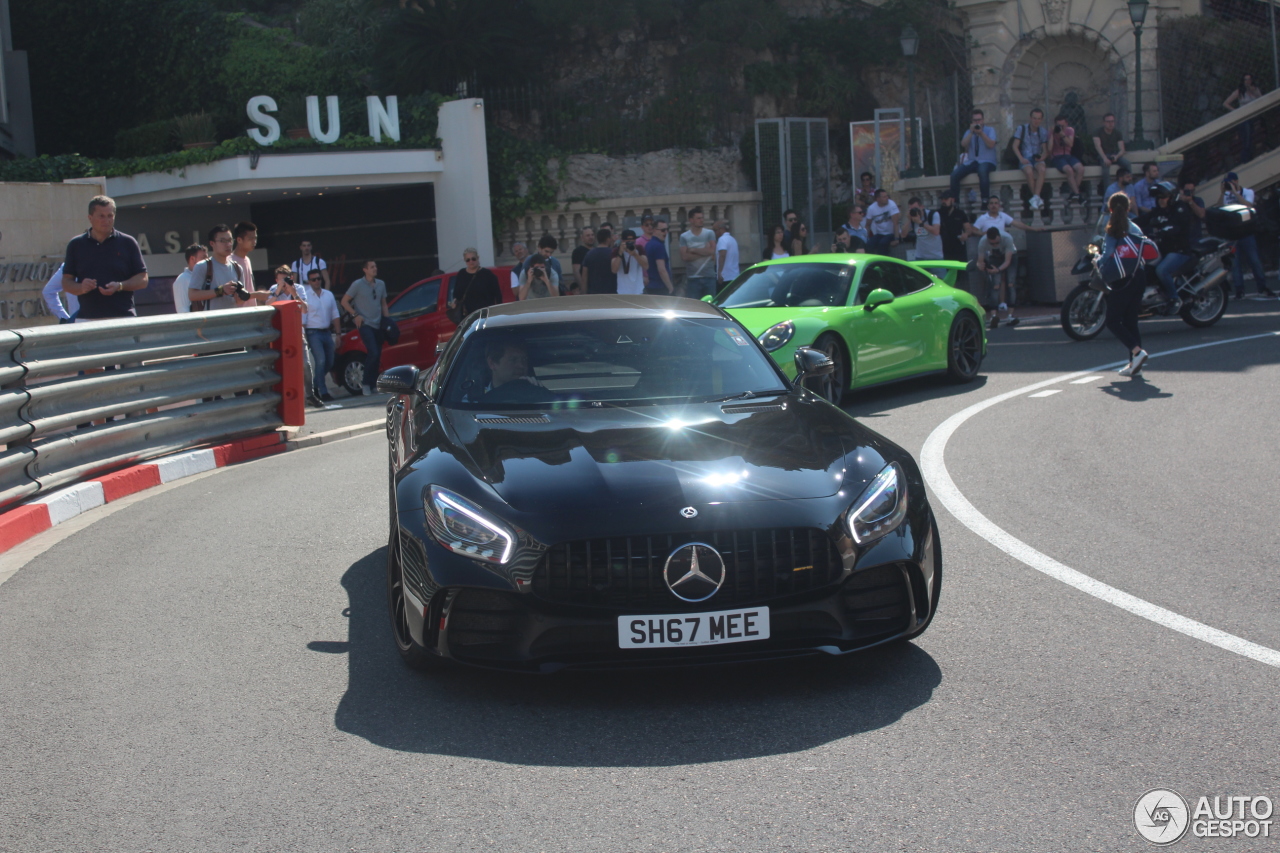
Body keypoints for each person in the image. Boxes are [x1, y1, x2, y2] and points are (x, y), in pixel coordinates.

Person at [60, 195, 149, 321]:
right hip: (87, 319)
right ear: (90, 218)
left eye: (110, 216)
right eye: (101, 216)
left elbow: (143, 279)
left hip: (123, 318)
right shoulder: (76, 244)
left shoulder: (128, 242)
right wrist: (81, 287)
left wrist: (120, 286)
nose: (106, 220)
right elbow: (66, 282)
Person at [1099, 192, 1150, 376]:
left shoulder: (1112, 229)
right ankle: (1134, 364)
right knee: (1131, 320)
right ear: (1128, 208)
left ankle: (1137, 352)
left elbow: (1108, 255)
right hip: (1139, 276)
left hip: (1122, 279)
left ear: (1110, 209)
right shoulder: (1135, 227)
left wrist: (1098, 264)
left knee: (1112, 320)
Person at [1137, 181, 1192, 309]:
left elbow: (1176, 226)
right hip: (1162, 250)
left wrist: (1161, 232)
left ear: (1172, 197)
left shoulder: (1180, 209)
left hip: (1179, 251)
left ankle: (1174, 298)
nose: (1161, 200)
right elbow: (1143, 220)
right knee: (1140, 266)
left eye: (1163, 197)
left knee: (1162, 270)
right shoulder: (1158, 211)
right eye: (1158, 198)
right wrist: (1123, 224)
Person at [1221, 172, 1275, 299]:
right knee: (1235, 263)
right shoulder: (1226, 194)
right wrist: (1223, 193)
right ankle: (1239, 290)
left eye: (1231, 182)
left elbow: (1249, 206)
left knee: (1254, 260)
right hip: (1232, 233)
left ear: (1236, 181)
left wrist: (1235, 193)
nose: (1230, 185)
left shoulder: (1247, 192)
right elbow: (1220, 208)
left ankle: (1262, 286)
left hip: (1246, 231)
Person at [340, 260, 390, 396]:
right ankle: (366, 384)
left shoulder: (381, 284)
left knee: (377, 354)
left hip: (378, 323)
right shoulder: (357, 285)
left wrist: (387, 321)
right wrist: (355, 315)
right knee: (373, 351)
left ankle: (373, 384)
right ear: (365, 270)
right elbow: (344, 301)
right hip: (365, 323)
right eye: (372, 267)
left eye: (375, 266)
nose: (375, 269)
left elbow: (384, 304)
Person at [188, 224, 254, 312]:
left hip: (233, 321)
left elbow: (239, 302)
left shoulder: (237, 268)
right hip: (211, 323)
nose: (228, 244)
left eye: (230, 240)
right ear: (212, 243)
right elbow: (192, 295)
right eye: (223, 241)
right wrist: (220, 290)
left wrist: (240, 298)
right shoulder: (202, 266)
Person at [302, 268, 341, 402]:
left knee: (330, 362)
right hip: (313, 333)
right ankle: (323, 392)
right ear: (309, 281)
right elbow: (304, 318)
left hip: (326, 332)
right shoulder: (305, 296)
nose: (317, 281)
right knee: (321, 360)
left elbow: (335, 314)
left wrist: (338, 333)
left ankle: (315, 385)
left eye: (319, 278)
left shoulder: (328, 294)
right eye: (314, 279)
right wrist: (304, 336)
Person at [950, 109, 999, 203]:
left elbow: (991, 144)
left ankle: (985, 200)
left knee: (982, 171)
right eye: (975, 120)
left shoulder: (990, 130)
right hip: (972, 161)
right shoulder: (969, 132)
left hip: (987, 161)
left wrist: (981, 133)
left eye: (979, 120)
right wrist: (972, 133)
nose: (977, 122)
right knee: (954, 175)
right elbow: (963, 144)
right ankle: (955, 202)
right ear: (972, 121)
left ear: (983, 120)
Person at [975, 227, 1018, 329]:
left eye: (996, 243)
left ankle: (1010, 315)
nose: (995, 245)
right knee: (995, 285)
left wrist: (998, 270)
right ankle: (994, 316)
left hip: (1010, 256)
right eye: (992, 244)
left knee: (1010, 284)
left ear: (999, 237)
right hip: (994, 257)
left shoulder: (1007, 238)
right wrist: (981, 266)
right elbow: (980, 260)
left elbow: (1007, 261)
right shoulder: (983, 242)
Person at [1012, 108, 1050, 209]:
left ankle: (1035, 197)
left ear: (1041, 120)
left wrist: (1042, 157)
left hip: (1037, 158)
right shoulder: (1022, 129)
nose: (1036, 121)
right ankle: (1037, 197)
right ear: (1030, 118)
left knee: (1042, 169)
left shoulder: (1042, 131)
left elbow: (1045, 150)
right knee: (1029, 171)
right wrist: (1021, 159)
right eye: (1034, 118)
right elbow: (1015, 146)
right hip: (1025, 157)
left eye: (1038, 118)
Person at [449, 248, 503, 317]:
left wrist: (498, 312)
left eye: (473, 259)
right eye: (468, 260)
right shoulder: (461, 274)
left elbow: (498, 295)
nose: (471, 261)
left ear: (477, 258)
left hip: (485, 314)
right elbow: (456, 294)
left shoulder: (487, 274)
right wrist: (455, 302)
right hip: (467, 315)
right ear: (465, 261)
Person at [1223, 73, 1263, 162]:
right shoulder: (1239, 91)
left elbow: (1262, 99)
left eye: (1249, 79)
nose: (1248, 81)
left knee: (1255, 137)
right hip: (1245, 118)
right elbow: (1226, 103)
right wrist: (1236, 111)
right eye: (1246, 79)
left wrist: (1253, 91)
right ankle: (1246, 159)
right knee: (1247, 138)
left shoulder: (1255, 89)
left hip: (1255, 116)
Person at [679, 207, 717, 299]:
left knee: (711, 306)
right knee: (695, 308)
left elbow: (712, 251)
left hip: (709, 276)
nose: (701, 220)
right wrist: (704, 251)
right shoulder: (684, 236)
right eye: (698, 218)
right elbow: (685, 257)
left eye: (702, 218)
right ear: (691, 220)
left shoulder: (709, 233)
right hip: (693, 278)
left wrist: (693, 250)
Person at [902, 197, 945, 276]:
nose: (914, 211)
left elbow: (936, 231)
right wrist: (908, 220)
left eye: (915, 209)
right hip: (920, 257)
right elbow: (903, 235)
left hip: (935, 257)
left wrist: (920, 223)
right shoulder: (912, 219)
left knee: (942, 281)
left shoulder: (933, 214)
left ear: (922, 207)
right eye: (911, 209)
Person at [1092, 113, 1132, 198]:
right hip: (1103, 155)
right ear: (1104, 122)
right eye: (1108, 122)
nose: (1110, 124)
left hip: (1114, 154)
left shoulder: (1117, 133)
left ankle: (1128, 187)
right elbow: (1097, 147)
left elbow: (1122, 149)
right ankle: (1107, 193)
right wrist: (1105, 158)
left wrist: (1116, 157)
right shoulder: (1097, 132)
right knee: (1106, 169)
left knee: (1127, 164)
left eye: (1112, 121)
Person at [1048, 114, 1085, 202]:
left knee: (1081, 169)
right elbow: (1049, 149)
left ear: (1067, 124)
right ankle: (1077, 194)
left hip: (1068, 155)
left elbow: (1070, 144)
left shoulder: (1069, 130)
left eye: (1063, 126)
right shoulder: (1051, 132)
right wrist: (1052, 135)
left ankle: (1074, 192)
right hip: (1057, 156)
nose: (1061, 127)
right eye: (1059, 126)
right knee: (1069, 170)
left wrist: (1062, 134)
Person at [230, 221, 263, 300]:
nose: (254, 242)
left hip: (250, 310)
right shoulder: (229, 262)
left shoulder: (247, 260)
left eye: (255, 238)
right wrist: (257, 295)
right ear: (239, 240)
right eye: (250, 238)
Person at [581, 226, 618, 294]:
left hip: (593, 293)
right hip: (612, 292)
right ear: (608, 239)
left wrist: (584, 294)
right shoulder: (613, 253)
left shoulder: (589, 254)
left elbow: (584, 277)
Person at [611, 229, 648, 296]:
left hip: (638, 290)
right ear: (622, 241)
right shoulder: (617, 250)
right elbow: (614, 270)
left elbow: (646, 266)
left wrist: (635, 254)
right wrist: (620, 253)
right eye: (627, 242)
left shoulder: (639, 249)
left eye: (632, 242)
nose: (630, 244)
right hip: (622, 291)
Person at [172, 244, 206, 314]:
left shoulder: (207, 277)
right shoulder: (183, 279)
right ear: (192, 259)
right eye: (203, 258)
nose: (207, 261)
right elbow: (183, 310)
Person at [865, 189, 900, 254]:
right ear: (878, 199)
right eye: (884, 197)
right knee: (869, 244)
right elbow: (868, 225)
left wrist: (896, 239)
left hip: (891, 233)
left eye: (887, 196)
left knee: (883, 244)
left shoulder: (891, 204)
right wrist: (865, 238)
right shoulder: (871, 208)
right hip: (880, 234)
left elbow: (896, 223)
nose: (887, 198)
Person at [644, 220, 674, 294]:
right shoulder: (658, 246)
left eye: (667, 229)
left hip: (652, 286)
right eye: (663, 230)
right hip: (660, 287)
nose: (666, 232)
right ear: (654, 230)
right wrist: (670, 287)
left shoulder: (649, 244)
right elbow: (661, 269)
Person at [1178, 179, 1208, 243]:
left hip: (1196, 237)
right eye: (1187, 191)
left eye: (1192, 191)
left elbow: (1202, 214)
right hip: (1183, 238)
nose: (1190, 193)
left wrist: (1190, 201)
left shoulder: (1198, 200)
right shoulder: (1178, 203)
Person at [713, 219, 739, 287]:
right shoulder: (732, 239)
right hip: (734, 276)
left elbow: (722, 255)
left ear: (721, 229)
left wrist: (719, 272)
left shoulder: (722, 239)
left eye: (715, 230)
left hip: (725, 277)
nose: (715, 233)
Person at [571, 226, 595, 293]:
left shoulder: (596, 251)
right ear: (582, 238)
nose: (591, 237)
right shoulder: (578, 252)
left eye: (592, 235)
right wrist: (583, 289)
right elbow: (576, 272)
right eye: (588, 235)